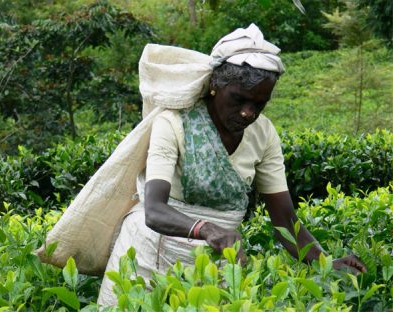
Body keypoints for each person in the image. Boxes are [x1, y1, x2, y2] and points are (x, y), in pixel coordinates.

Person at [97, 24, 366, 306]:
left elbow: (284, 220)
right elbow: (154, 210)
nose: (248, 112)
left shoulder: (264, 134)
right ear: (215, 85)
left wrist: (325, 262)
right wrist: (208, 229)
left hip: (215, 266)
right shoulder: (173, 122)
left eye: (259, 103)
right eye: (238, 99)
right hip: (147, 259)